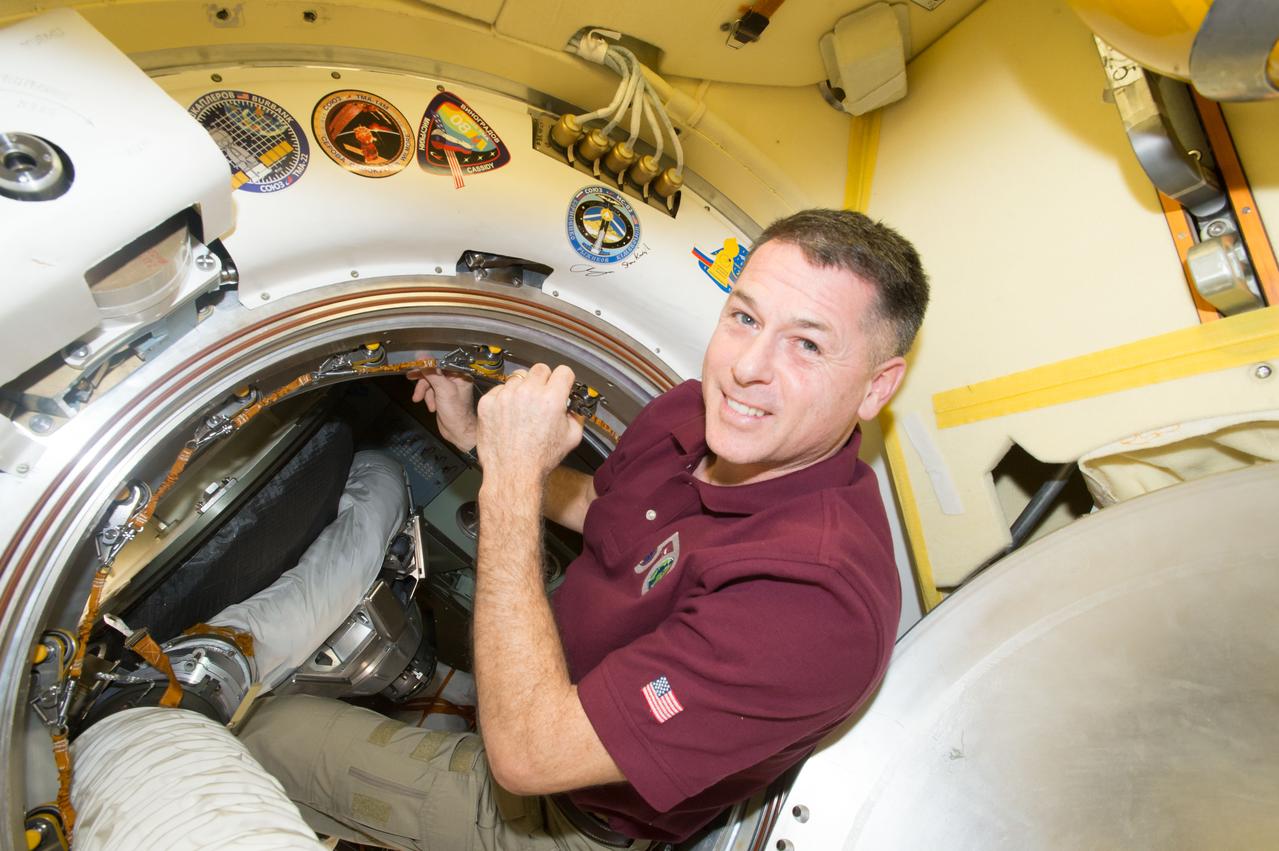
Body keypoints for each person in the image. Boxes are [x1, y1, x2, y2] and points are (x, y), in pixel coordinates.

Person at [239, 208, 929, 850]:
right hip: (536, 698)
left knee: (265, 734)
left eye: (806, 344)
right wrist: (480, 434)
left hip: (559, 812)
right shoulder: (693, 413)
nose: (746, 368)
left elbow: (529, 756)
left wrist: (510, 477)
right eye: (744, 318)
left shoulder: (814, 602)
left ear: (875, 386)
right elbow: (611, 505)